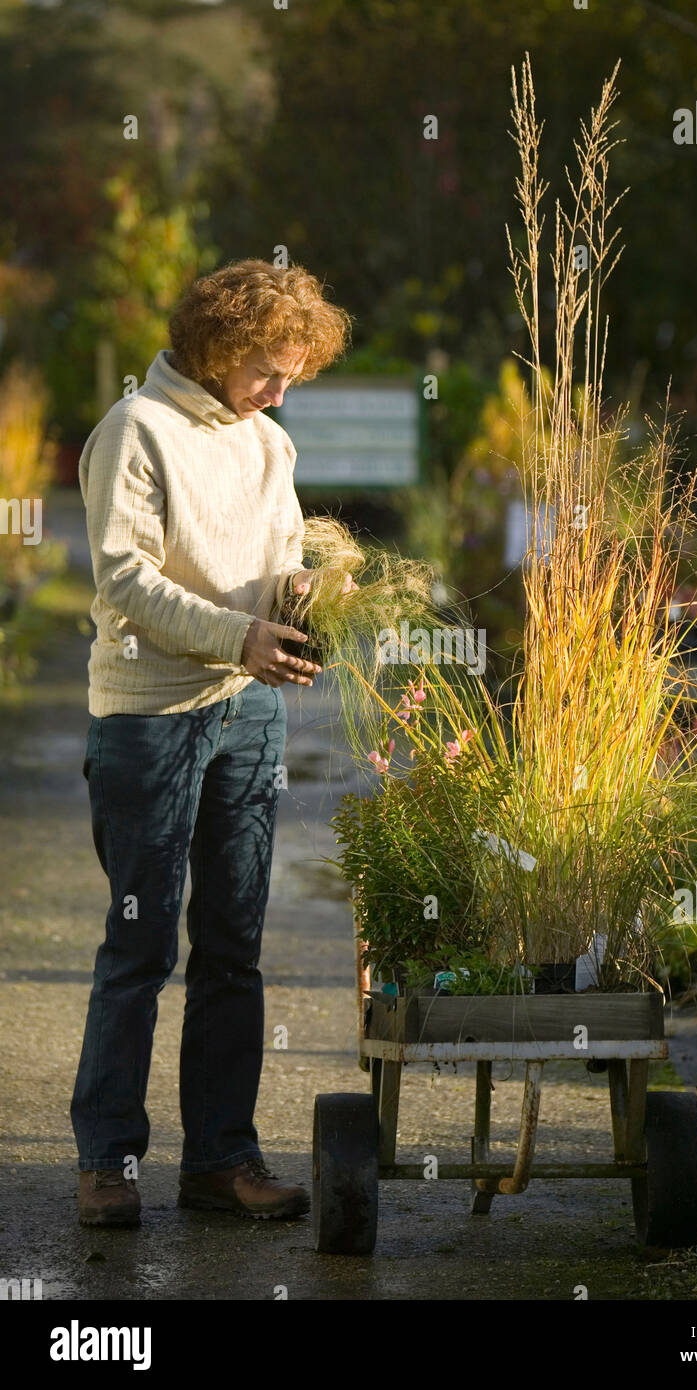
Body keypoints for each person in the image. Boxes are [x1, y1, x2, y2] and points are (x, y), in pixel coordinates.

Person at [71, 258, 354, 1226]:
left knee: (232, 944)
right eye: (271, 370)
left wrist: (306, 599)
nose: (281, 393)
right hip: (149, 720)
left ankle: (220, 1160)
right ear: (220, 346)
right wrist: (238, 634)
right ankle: (106, 1161)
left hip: (249, 713)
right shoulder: (135, 431)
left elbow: (277, 564)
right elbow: (124, 581)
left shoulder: (267, 446)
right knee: (140, 945)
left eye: (292, 377)